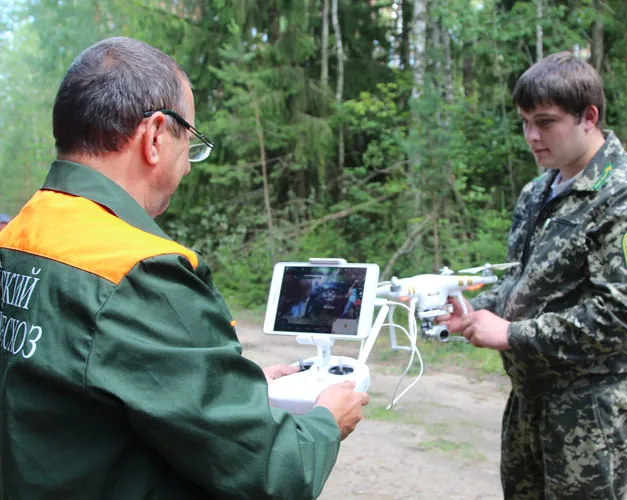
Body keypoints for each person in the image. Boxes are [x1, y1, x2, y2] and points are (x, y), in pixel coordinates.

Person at [0, 36, 369, 499]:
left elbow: (87, 384)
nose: (188, 168)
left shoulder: (17, 239)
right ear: (155, 136)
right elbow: (269, 469)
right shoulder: (138, 273)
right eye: (190, 144)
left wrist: (236, 387)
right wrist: (325, 424)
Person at [438, 52, 627, 498]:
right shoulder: (538, 191)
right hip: (532, 395)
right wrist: (471, 312)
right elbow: (525, 284)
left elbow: (624, 316)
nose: (532, 136)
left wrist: (512, 334)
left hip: (595, 406)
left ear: (589, 117)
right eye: (525, 122)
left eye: (546, 122)